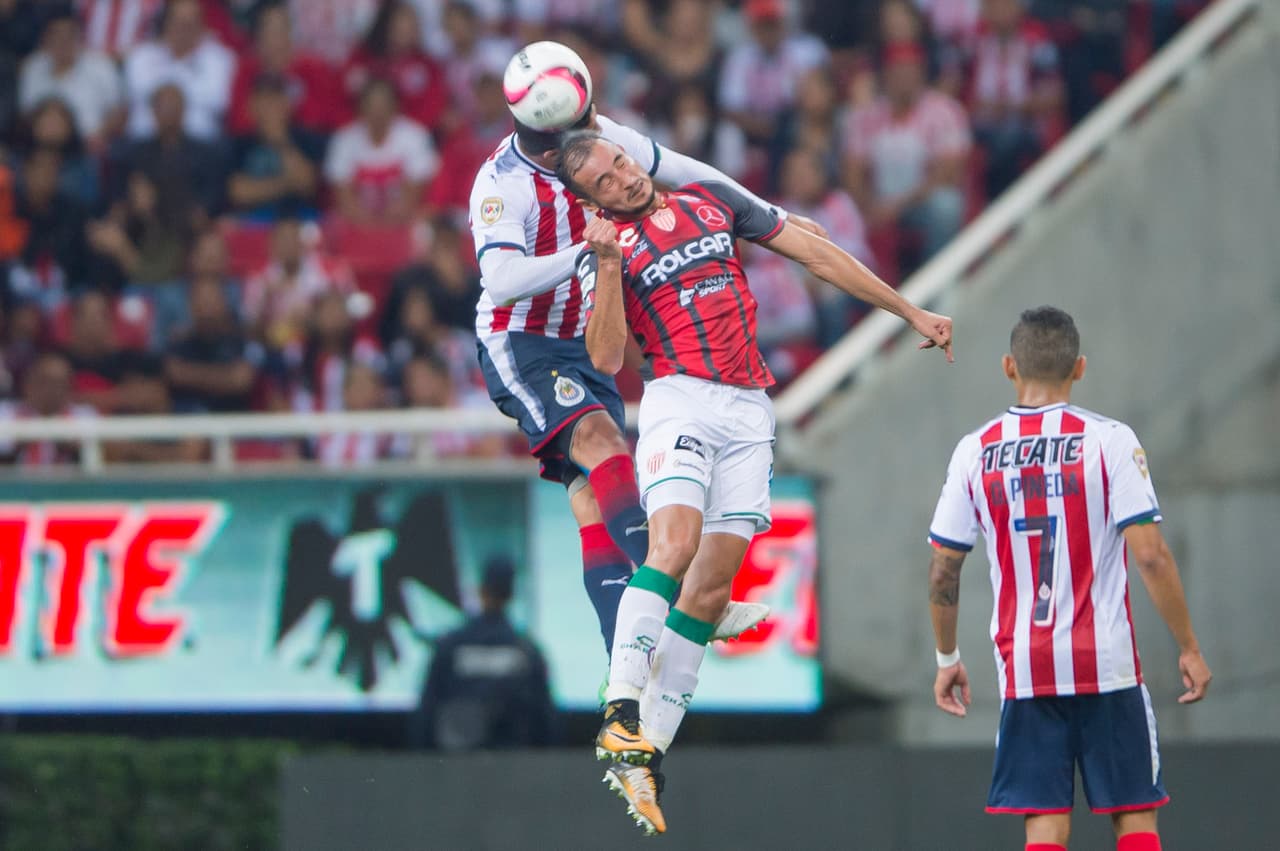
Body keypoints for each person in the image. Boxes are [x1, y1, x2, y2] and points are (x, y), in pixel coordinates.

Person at [561, 130, 954, 835]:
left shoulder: (713, 199)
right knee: (673, 546)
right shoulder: (603, 254)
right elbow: (606, 354)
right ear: (590, 200)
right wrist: (611, 266)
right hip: (678, 395)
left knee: (712, 592)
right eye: (602, 182)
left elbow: (812, 248)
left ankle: (643, 752)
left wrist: (908, 309)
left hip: (748, 408)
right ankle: (619, 708)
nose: (619, 179)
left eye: (618, 163)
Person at [469, 42, 793, 660]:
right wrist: (593, 252)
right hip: (524, 339)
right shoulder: (499, 183)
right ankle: (685, 591)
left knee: (594, 497)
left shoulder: (602, 138)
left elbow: (689, 172)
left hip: (589, 333)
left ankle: (622, 664)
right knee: (602, 445)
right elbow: (501, 280)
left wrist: (772, 217)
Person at [925, 306, 1211, 851]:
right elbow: (1150, 556)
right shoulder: (1109, 440)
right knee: (1134, 815)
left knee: (1045, 822)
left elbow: (944, 564)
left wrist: (947, 658)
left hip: (1026, 666)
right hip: (1108, 662)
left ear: (1009, 366)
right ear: (1079, 368)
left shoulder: (976, 449)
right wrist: (1189, 647)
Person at [410, 557, 557, 751]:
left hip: (457, 768)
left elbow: (426, 715)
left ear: (481, 590)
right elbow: (547, 724)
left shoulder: (450, 647)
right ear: (511, 594)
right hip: (515, 770)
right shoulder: (528, 652)